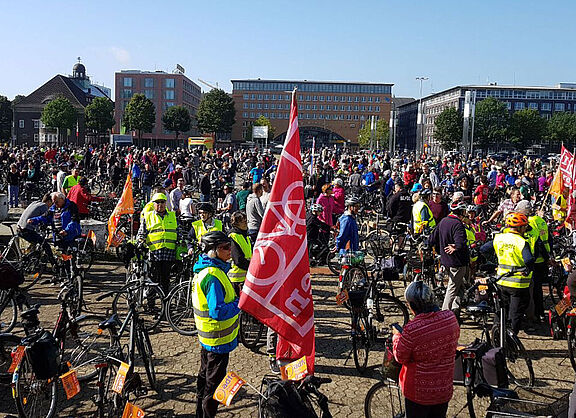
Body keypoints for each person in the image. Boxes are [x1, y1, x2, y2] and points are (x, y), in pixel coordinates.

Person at [392, 281, 460, 418]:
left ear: (412, 305)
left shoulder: (413, 329)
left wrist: (396, 337)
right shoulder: (451, 318)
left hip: (419, 393)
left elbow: (400, 356)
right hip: (443, 389)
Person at [191, 231, 239, 418]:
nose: (230, 251)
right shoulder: (212, 276)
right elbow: (217, 311)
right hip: (218, 340)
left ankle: (199, 413)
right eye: (225, 248)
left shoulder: (210, 270)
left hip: (209, 339)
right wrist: (238, 303)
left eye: (230, 246)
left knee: (204, 379)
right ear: (212, 251)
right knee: (213, 386)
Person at [481, 212, 535, 335]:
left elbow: (483, 249)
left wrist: (495, 263)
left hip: (501, 281)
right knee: (515, 314)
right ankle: (511, 342)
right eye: (525, 227)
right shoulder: (521, 242)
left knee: (500, 311)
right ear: (520, 228)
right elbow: (529, 260)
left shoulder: (499, 238)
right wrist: (527, 270)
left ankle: (496, 337)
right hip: (518, 285)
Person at [430, 202, 470, 319]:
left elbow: (432, 238)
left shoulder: (443, 221)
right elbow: (461, 242)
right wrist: (456, 247)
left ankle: (455, 311)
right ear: (462, 212)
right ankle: (444, 314)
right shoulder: (458, 224)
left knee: (460, 287)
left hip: (445, 260)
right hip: (457, 262)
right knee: (452, 288)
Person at [137, 193, 179, 297]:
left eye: (162, 202)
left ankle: (165, 304)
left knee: (165, 281)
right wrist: (141, 241)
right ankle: (151, 304)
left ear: (166, 203)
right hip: (154, 254)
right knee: (153, 280)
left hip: (168, 253)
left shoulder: (173, 216)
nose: (160, 204)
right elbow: (141, 233)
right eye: (157, 202)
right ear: (153, 204)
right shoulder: (148, 216)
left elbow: (179, 232)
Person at [515, 200, 550, 324]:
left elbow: (537, 243)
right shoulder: (541, 220)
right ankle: (539, 312)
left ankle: (532, 314)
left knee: (531, 290)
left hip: (531, 260)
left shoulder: (529, 222)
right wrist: (548, 257)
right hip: (541, 259)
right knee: (538, 289)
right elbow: (546, 239)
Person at [28, 192, 82, 271]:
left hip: (70, 235)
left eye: (56, 202)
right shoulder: (53, 208)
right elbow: (45, 217)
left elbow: (75, 221)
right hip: (58, 236)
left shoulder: (71, 206)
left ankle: (73, 274)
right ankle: (65, 273)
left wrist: (67, 230)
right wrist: (33, 220)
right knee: (63, 256)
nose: (55, 204)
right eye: (54, 202)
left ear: (62, 199)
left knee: (69, 256)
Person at [228, 211, 252, 296]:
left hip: (245, 277)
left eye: (246, 221)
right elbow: (238, 260)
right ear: (236, 224)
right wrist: (252, 267)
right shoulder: (233, 236)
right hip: (236, 280)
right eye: (243, 221)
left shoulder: (245, 236)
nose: (246, 223)